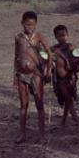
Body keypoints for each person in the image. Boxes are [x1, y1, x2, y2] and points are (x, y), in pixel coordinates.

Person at [13, 11, 53, 144]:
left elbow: (49, 53)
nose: (30, 27)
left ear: (36, 25)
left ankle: (42, 135)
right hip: (21, 75)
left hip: (36, 74)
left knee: (39, 104)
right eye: (27, 24)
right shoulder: (18, 37)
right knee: (23, 105)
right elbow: (16, 57)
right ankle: (22, 134)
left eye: (32, 25)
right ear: (22, 23)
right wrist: (14, 76)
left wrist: (47, 70)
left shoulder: (38, 36)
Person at [50, 25, 79, 127]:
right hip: (59, 79)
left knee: (69, 99)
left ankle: (64, 121)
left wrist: (74, 61)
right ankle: (75, 120)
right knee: (67, 99)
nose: (62, 38)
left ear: (67, 35)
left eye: (64, 35)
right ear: (55, 37)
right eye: (59, 36)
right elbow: (45, 57)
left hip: (70, 78)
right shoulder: (54, 49)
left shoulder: (71, 47)